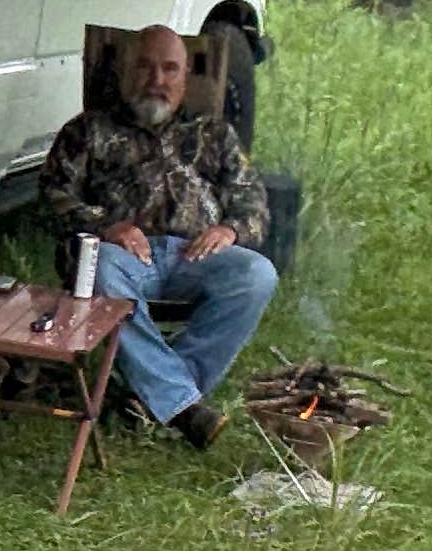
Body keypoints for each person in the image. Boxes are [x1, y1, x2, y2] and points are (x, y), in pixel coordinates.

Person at [38, 23, 276, 448]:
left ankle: (154, 397)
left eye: (170, 69)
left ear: (186, 77)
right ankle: (183, 408)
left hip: (194, 257)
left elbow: (254, 204)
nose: (157, 80)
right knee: (102, 269)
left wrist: (230, 229)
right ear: (125, 71)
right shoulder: (88, 131)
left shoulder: (214, 134)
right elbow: (52, 197)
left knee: (257, 275)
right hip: (122, 257)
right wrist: (107, 226)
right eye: (145, 67)